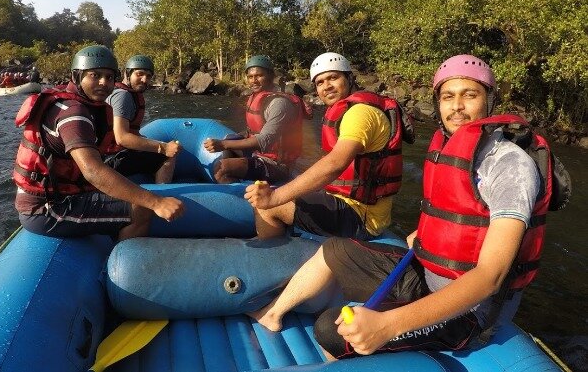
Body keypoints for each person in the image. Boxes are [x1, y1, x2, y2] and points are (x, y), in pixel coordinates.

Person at [250, 54, 568, 360]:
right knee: (335, 251)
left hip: (469, 313)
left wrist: (387, 325)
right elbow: (460, 215)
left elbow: (490, 276)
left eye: (469, 95)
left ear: (490, 99)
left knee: (332, 330)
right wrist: (427, 233)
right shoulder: (453, 147)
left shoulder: (510, 165)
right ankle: (274, 314)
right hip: (429, 273)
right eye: (447, 96)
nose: (456, 106)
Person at [12, 46, 184, 240]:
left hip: (61, 192)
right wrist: (156, 202)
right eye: (95, 75)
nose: (103, 83)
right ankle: (120, 265)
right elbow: (93, 171)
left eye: (109, 77)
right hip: (48, 208)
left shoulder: (78, 104)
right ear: (77, 76)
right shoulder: (73, 113)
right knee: (141, 210)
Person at [244, 52, 413, 240]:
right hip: (352, 204)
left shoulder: (360, 113)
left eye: (333, 78)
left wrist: (275, 197)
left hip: (360, 216)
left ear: (349, 78)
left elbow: (335, 163)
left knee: (268, 207)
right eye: (320, 82)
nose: (327, 86)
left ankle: (270, 258)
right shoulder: (348, 109)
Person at [203, 55, 311, 184]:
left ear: (270, 76)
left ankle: (241, 201)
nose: (253, 80)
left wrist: (222, 144)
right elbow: (254, 131)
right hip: (260, 154)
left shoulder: (279, 104)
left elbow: (263, 140)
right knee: (230, 141)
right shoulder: (258, 96)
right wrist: (229, 141)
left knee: (221, 169)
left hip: (278, 165)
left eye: (259, 76)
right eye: (250, 77)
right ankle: (239, 184)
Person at [103, 54, 181, 183]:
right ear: (127, 73)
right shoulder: (123, 96)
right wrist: (164, 148)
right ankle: (162, 195)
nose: (144, 80)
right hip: (110, 160)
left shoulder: (123, 93)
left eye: (148, 76)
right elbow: (121, 138)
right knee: (166, 157)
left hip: (109, 155)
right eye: (139, 74)